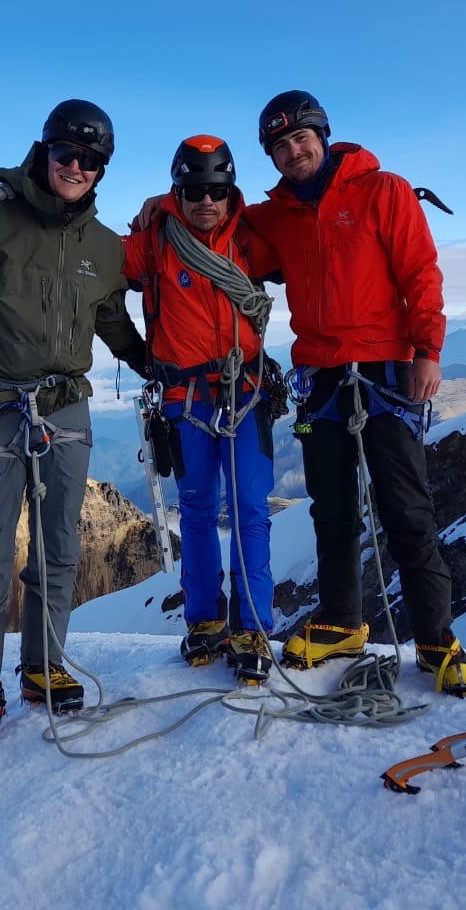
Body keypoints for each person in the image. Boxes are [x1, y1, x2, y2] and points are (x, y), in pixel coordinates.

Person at [0, 98, 148, 765]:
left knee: (59, 550)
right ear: (44, 151)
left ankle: (42, 666)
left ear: (102, 169)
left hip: (66, 407)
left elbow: (110, 319)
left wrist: (148, 360)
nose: (77, 167)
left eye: (91, 160)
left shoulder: (104, 247)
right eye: (66, 154)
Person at [244, 90, 466, 696]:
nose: (293, 152)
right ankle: (343, 623)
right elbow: (212, 221)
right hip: (321, 377)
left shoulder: (383, 191)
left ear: (323, 136)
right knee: (332, 510)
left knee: (407, 510)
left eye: (301, 138)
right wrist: (159, 205)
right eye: (280, 146)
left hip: (386, 373)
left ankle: (435, 639)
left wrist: (428, 351)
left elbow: (420, 272)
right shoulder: (276, 215)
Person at [123, 135, 280, 684]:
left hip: (245, 391)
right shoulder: (154, 241)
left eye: (216, 190)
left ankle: (251, 626)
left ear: (230, 189)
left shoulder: (253, 237)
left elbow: (312, 237)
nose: (206, 201)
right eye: (193, 191)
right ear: (178, 192)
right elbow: (88, 258)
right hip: (186, 397)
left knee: (249, 507)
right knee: (196, 507)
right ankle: (206, 620)